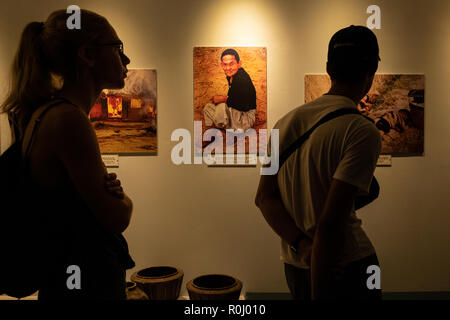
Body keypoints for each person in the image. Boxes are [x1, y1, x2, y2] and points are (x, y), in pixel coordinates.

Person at [1, 9, 134, 299]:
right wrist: (123, 199)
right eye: (118, 48)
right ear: (87, 55)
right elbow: (117, 217)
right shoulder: (68, 121)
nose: (126, 60)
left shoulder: (46, 115)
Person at [255, 25, 382, 300]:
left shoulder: (285, 122)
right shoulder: (361, 130)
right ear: (370, 73)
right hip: (344, 264)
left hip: (296, 263)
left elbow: (265, 198)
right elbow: (329, 224)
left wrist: (303, 246)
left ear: (328, 68)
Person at [203, 48, 257, 132]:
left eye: (231, 64)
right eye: (225, 64)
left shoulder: (242, 78)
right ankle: (217, 128)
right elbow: (233, 98)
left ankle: (227, 132)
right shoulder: (231, 76)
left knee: (221, 106)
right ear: (221, 65)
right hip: (235, 116)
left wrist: (224, 99)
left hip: (246, 118)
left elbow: (245, 106)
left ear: (239, 64)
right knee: (207, 108)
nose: (228, 68)